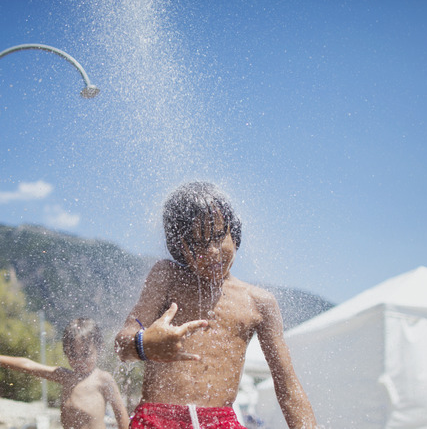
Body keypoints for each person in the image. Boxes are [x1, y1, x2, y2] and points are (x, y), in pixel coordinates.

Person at [115, 182, 317, 429]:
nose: (211, 251)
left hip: (221, 422)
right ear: (179, 247)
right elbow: (121, 345)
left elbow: (287, 386)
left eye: (219, 237)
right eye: (197, 244)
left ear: (234, 231)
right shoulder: (167, 277)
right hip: (157, 419)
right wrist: (144, 344)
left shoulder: (259, 303)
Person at [0, 317, 130, 429]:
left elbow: (123, 420)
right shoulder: (64, 376)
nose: (79, 361)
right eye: (73, 355)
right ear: (66, 353)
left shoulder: (103, 379)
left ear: (99, 348)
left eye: (85, 354)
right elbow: (29, 366)